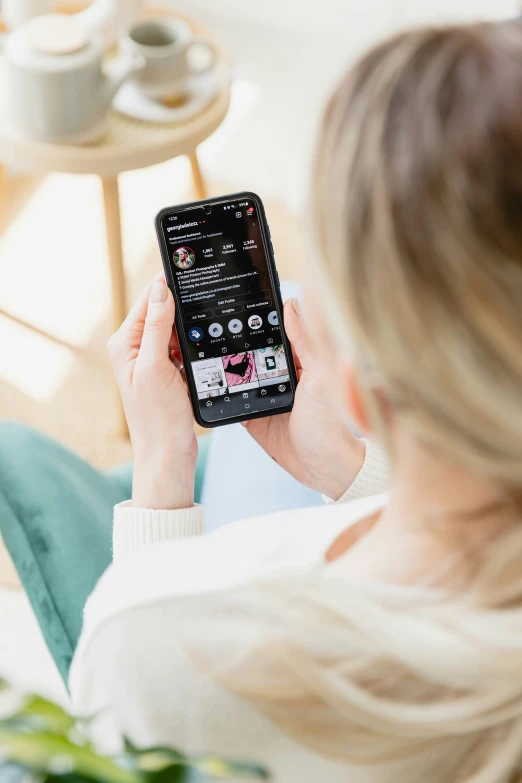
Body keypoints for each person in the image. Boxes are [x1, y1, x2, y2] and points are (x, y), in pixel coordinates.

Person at [31, 19, 522, 783]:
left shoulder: (164, 634)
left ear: (358, 385)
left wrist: (161, 472)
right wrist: (353, 473)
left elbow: (121, 745)